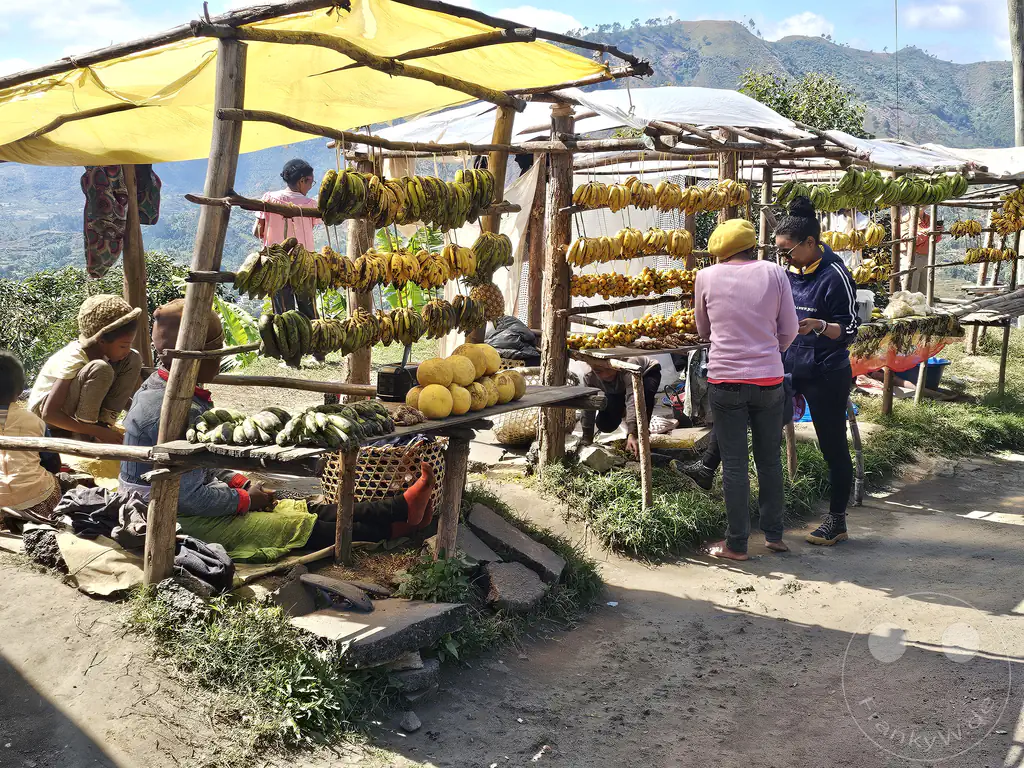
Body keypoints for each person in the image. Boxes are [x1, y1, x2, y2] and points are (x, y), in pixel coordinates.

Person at [119, 300, 433, 561]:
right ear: (196, 357)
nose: (220, 358)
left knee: (299, 507)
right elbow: (188, 497)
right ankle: (396, 528)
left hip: (184, 495)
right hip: (166, 513)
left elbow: (199, 464)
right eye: (217, 351)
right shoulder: (174, 408)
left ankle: (399, 507)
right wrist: (244, 500)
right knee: (291, 526)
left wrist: (241, 482)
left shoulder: (166, 387)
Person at [694, 219, 799, 561]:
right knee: (769, 460)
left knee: (735, 464)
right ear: (751, 245)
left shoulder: (706, 277)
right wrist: (771, 354)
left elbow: (703, 329)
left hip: (725, 380)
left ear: (719, 252)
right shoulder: (774, 272)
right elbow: (790, 329)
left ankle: (736, 544)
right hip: (770, 379)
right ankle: (774, 535)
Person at [775, 196, 861, 546]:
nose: (785, 258)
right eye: (780, 252)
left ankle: (836, 520)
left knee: (832, 446)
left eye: (788, 251)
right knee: (753, 415)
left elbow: (851, 329)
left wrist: (821, 325)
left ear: (810, 243)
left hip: (826, 373)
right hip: (789, 366)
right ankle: (708, 468)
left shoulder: (836, 275)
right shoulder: (788, 271)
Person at [28, 294, 143, 444]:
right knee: (101, 369)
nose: (126, 350)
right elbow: (49, 414)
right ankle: (89, 433)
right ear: (101, 341)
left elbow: (118, 394)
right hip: (47, 418)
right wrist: (95, 431)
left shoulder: (104, 353)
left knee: (133, 358)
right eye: (123, 346)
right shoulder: (75, 359)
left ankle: (103, 423)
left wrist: (139, 410)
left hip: (73, 412)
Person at [0, 352, 64, 526]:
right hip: (36, 502)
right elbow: (53, 464)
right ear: (20, 390)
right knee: (53, 481)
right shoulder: (34, 421)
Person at [255, 159, 323, 318]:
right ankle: (312, 341)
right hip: (304, 265)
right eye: (310, 183)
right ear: (301, 181)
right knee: (310, 314)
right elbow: (310, 227)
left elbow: (259, 230)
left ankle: (287, 342)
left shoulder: (269, 198)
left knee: (284, 315)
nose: (309, 187)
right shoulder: (310, 205)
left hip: (277, 265)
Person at [580, 357, 661, 459]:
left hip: (645, 373)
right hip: (617, 387)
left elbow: (634, 399)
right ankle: (625, 413)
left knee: (643, 401)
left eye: (609, 369)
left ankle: (640, 437)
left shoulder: (628, 366)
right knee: (605, 424)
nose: (606, 375)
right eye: (599, 371)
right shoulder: (590, 376)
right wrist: (587, 437)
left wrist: (633, 433)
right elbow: (588, 405)